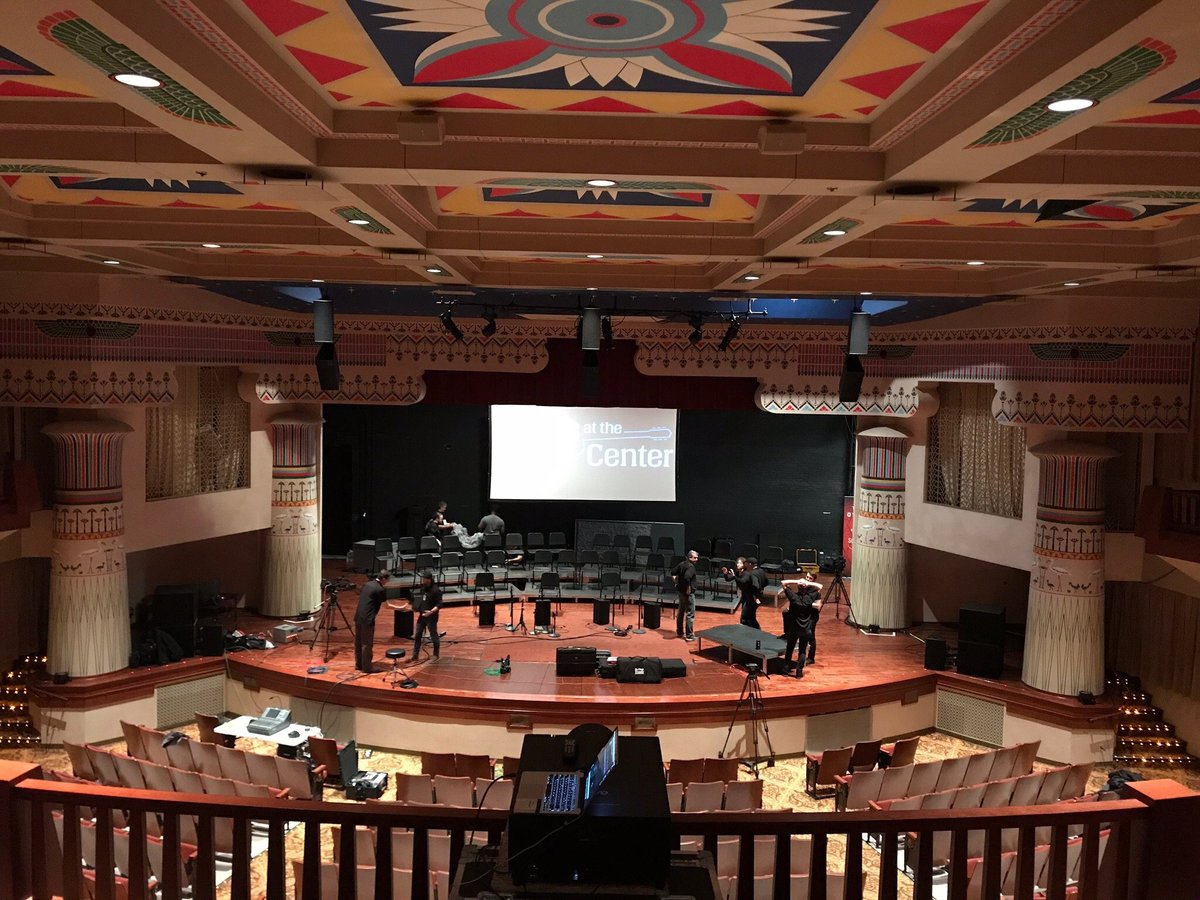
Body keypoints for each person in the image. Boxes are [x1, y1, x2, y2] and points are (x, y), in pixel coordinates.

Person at [779, 575, 822, 678]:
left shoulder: (793, 597)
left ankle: (785, 670)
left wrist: (797, 581)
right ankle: (799, 672)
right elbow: (820, 586)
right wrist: (807, 583)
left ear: (798, 587)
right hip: (805, 629)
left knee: (789, 648)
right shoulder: (810, 598)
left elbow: (783, 582)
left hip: (794, 628)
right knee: (802, 650)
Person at [353, 570, 388, 673]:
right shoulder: (379, 589)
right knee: (367, 644)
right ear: (384, 579)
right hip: (367, 619)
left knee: (358, 642)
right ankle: (367, 667)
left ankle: (359, 664)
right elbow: (386, 603)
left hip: (358, 616)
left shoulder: (367, 584)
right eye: (387, 580)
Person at [723, 556, 765, 629]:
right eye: (737, 563)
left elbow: (742, 581)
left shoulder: (746, 573)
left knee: (745, 617)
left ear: (744, 564)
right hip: (745, 596)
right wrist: (726, 574)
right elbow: (729, 579)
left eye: (740, 563)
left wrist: (734, 577)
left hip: (751, 597)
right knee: (750, 616)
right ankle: (753, 630)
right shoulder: (738, 572)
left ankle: (755, 630)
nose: (738, 565)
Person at [412, 568, 443, 660]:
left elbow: (440, 604)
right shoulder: (423, 588)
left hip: (431, 617)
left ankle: (436, 654)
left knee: (433, 635)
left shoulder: (436, 590)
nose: (422, 580)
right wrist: (416, 608)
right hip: (422, 616)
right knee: (418, 634)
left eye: (424, 578)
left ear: (428, 579)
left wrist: (431, 612)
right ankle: (415, 655)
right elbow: (422, 600)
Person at [670, 550, 699, 641]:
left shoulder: (682, 564)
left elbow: (673, 572)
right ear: (690, 557)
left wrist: (676, 582)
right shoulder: (691, 567)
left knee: (681, 612)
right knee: (690, 614)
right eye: (695, 558)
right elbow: (687, 577)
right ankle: (689, 636)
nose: (696, 559)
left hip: (681, 592)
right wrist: (688, 587)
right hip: (688, 594)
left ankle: (679, 632)